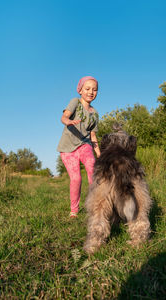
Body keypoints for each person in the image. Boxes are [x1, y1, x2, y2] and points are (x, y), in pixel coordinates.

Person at [57, 76, 101, 218]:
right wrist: (68, 121)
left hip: (84, 144)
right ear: (80, 90)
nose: (91, 92)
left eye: (94, 89)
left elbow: (93, 137)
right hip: (67, 147)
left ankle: (96, 205)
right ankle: (74, 210)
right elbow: (64, 117)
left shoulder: (95, 114)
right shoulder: (75, 102)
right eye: (87, 89)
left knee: (93, 172)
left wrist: (100, 155)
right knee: (76, 179)